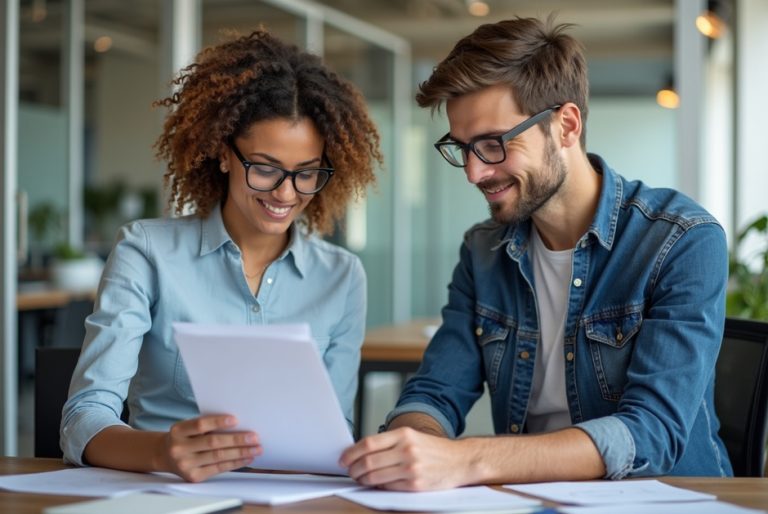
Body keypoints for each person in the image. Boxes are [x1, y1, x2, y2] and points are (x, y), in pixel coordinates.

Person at [340, 16, 732, 490]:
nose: (473, 173)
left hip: (665, 499)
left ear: (565, 125)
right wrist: (412, 444)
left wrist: (467, 460)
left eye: (493, 144)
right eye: (462, 148)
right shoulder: (483, 250)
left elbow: (651, 434)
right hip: (531, 497)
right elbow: (435, 392)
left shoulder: (681, 239)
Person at [61, 29, 381, 483]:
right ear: (224, 154)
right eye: (265, 168)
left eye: (307, 174)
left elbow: (336, 430)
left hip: (291, 499)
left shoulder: (342, 276)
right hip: (164, 493)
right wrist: (161, 452)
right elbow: (83, 418)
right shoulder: (146, 251)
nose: (286, 193)